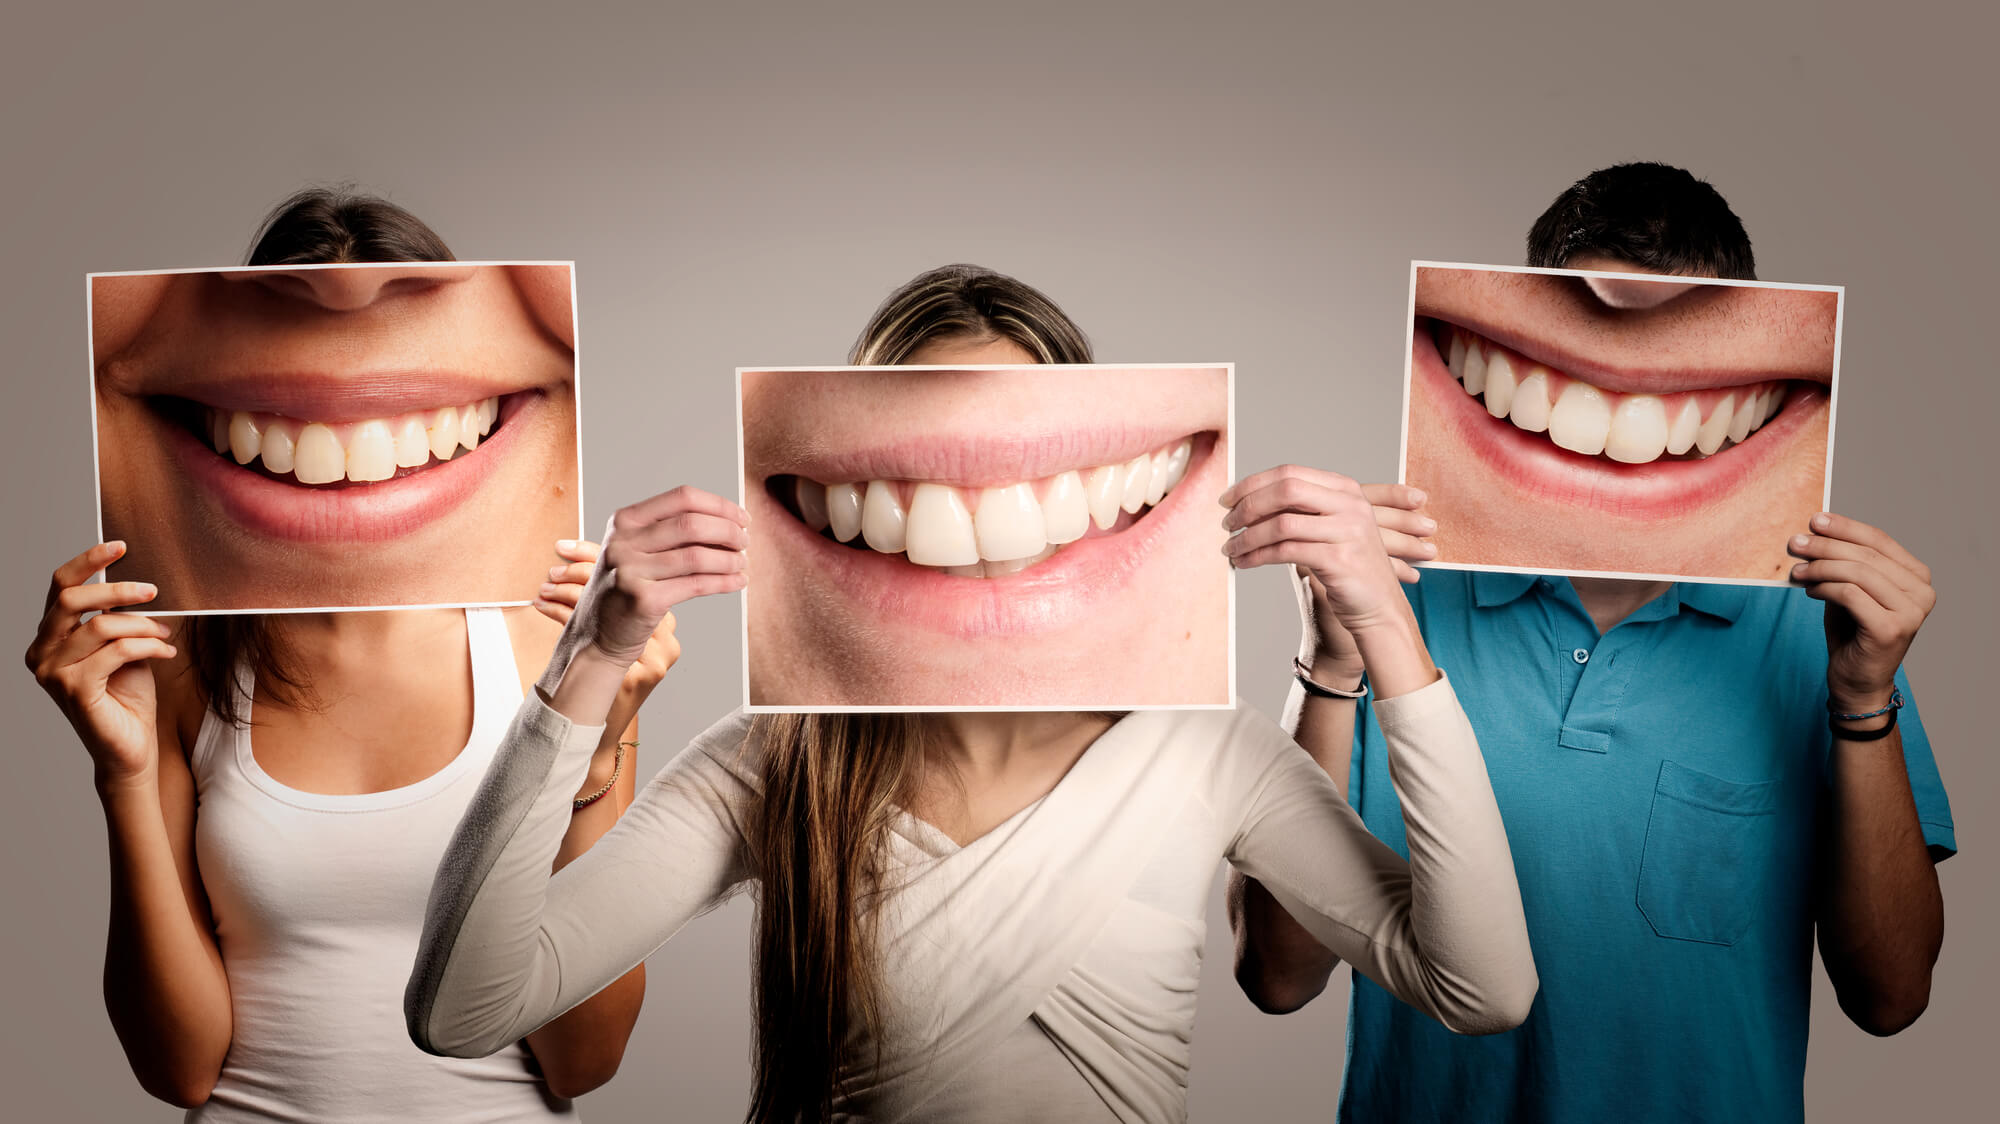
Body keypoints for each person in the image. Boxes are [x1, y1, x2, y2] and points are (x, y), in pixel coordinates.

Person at [405, 265, 1541, 1123]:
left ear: (1101, 499)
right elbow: (459, 1009)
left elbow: (1483, 986)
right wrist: (584, 662)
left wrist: (1384, 629)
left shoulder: (1208, 752)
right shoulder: (777, 758)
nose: (979, 494)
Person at [1226, 162, 1953, 1123]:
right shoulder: (1398, 611)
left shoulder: (1819, 634)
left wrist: (1863, 700)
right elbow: (1278, 977)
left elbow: (1892, 998)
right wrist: (1335, 660)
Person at [26, 189, 661, 1121]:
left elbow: (582, 1059)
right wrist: (120, 774)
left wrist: (598, 750)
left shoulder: (563, 655)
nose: (346, 303)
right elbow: (179, 1070)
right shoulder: (181, 665)